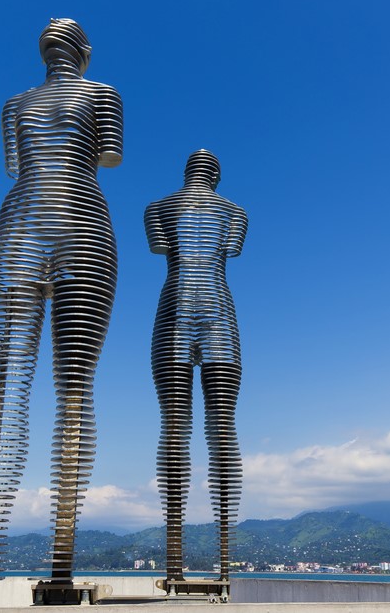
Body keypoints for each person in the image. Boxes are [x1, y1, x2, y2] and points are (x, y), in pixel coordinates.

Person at [0, 18, 123, 583]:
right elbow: (110, 156)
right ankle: (61, 562)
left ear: (44, 53)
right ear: (85, 52)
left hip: (18, 227)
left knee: (9, 384)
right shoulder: (103, 93)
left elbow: (13, 167)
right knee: (75, 389)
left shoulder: (15, 104)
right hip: (83, 227)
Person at [144, 149, 248, 583]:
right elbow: (232, 250)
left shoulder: (157, 208)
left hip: (173, 311)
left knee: (174, 425)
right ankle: (223, 565)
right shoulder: (236, 213)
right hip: (219, 314)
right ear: (216, 176)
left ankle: (175, 567)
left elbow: (159, 247)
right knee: (222, 425)